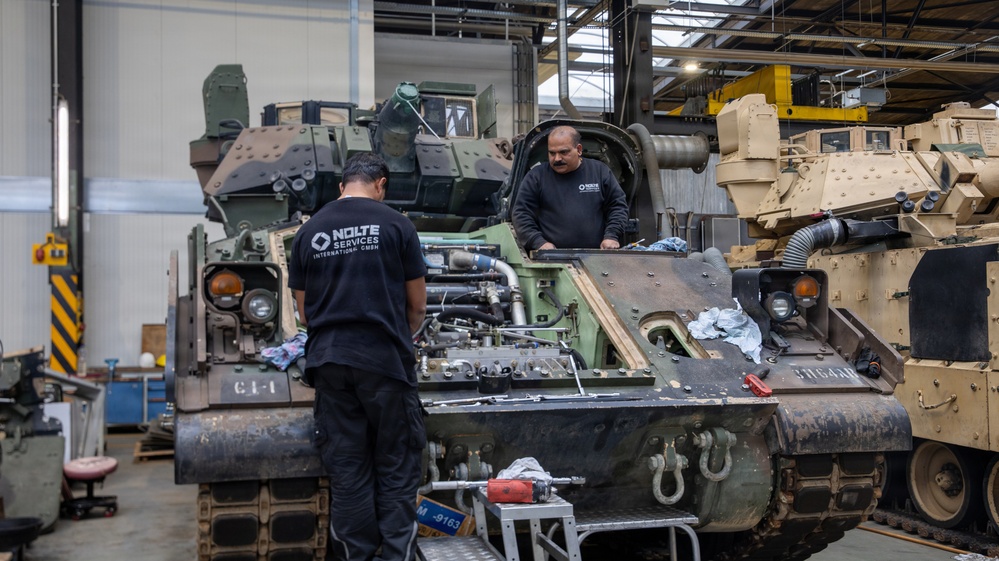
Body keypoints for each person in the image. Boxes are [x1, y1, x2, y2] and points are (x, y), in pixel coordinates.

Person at [288, 152, 427, 561]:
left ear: (341, 186)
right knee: (397, 467)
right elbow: (417, 307)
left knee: (348, 472)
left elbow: (304, 312)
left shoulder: (309, 232)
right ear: (381, 184)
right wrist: (402, 338)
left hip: (330, 363)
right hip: (385, 363)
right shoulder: (398, 225)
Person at [512, 125, 629, 251]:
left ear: (578, 150)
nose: (557, 159)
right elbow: (521, 214)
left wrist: (611, 236)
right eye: (552, 153)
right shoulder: (536, 177)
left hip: (596, 257)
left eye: (563, 152)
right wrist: (538, 243)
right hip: (551, 260)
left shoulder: (600, 172)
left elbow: (617, 206)